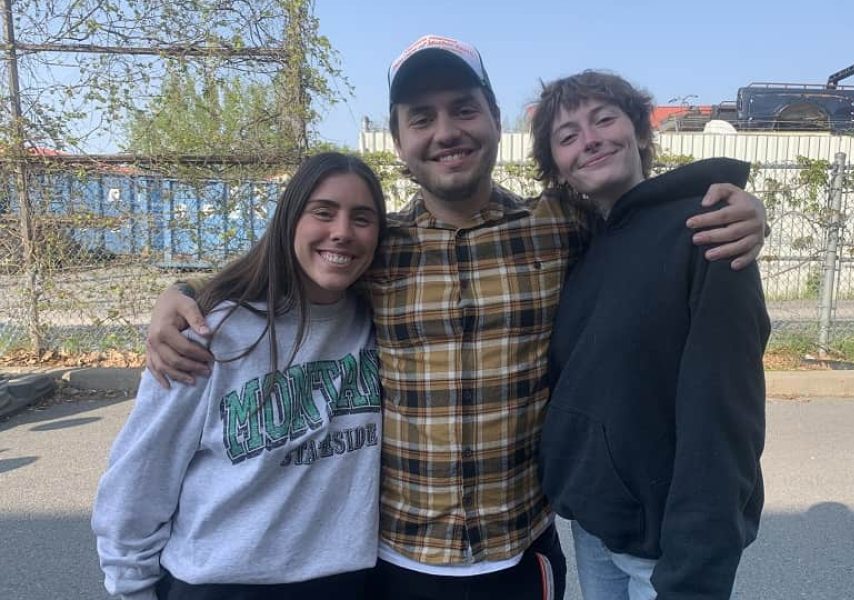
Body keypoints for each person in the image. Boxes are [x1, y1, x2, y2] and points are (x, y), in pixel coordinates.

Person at [143, 35, 769, 600]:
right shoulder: (375, 247)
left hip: (520, 556)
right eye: (422, 118)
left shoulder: (560, 227)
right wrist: (185, 292)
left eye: (464, 109)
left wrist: (741, 207)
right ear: (400, 141)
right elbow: (288, 263)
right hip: (398, 561)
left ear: (495, 122)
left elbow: (635, 219)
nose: (446, 131)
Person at [92, 152, 387, 600]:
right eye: (323, 212)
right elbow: (141, 476)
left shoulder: (380, 320)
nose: (342, 231)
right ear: (290, 220)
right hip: (221, 583)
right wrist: (131, 587)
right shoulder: (211, 330)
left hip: (346, 582)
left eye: (361, 218)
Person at [531, 71, 769, 600]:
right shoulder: (580, 244)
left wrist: (697, 571)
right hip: (595, 527)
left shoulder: (707, 233)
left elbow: (725, 416)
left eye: (603, 119)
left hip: (665, 554)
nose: (588, 139)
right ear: (560, 169)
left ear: (639, 131)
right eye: (566, 136)